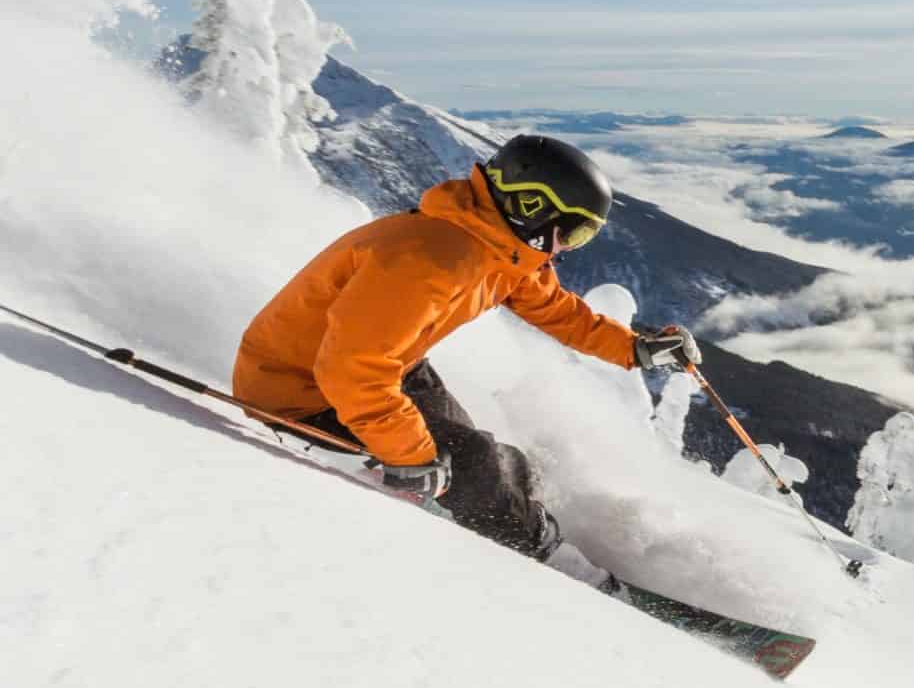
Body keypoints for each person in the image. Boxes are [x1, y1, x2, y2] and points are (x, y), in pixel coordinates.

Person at [233, 135, 700, 558]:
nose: (568, 249)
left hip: (388, 366)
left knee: (480, 452)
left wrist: (635, 348)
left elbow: (555, 308)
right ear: (531, 205)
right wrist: (410, 457)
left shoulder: (499, 248)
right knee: (470, 460)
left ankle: (519, 504)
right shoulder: (431, 257)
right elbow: (348, 369)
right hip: (298, 390)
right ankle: (542, 559)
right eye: (572, 232)